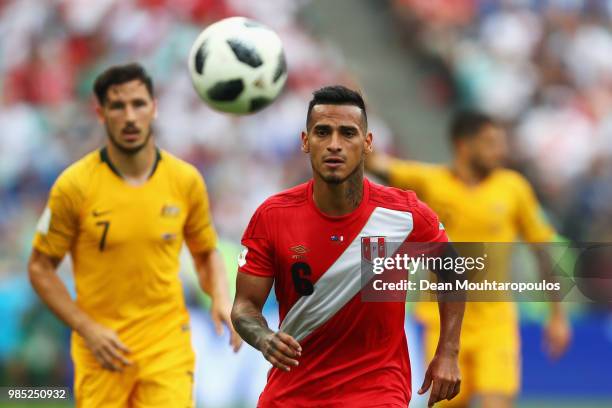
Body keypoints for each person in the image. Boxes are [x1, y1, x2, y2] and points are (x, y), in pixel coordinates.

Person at [231, 85, 465, 407]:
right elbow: (244, 307)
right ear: (305, 141)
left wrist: (448, 352)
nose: (335, 145)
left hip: (377, 392)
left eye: (348, 134)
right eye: (323, 132)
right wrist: (263, 337)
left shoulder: (404, 214)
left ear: (367, 143)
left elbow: (453, 272)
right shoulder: (273, 216)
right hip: (292, 394)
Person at [28, 63, 241, 408]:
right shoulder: (74, 186)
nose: (130, 116)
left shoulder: (185, 181)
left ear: (153, 108)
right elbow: (40, 267)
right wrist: (87, 328)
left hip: (166, 346)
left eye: (138, 104)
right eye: (118, 106)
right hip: (102, 350)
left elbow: (206, 251)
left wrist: (220, 297)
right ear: (100, 113)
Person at [366, 111, 572, 408]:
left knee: (496, 402)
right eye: (490, 143)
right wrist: (361, 110)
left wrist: (557, 316)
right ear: (463, 145)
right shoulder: (430, 182)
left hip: (495, 322)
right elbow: (374, 163)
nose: (500, 151)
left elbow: (542, 250)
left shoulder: (513, 188)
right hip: (443, 323)